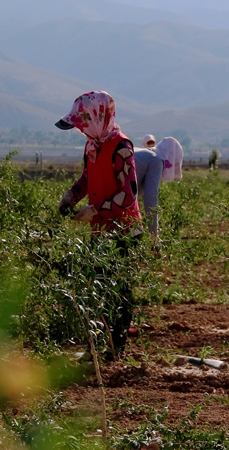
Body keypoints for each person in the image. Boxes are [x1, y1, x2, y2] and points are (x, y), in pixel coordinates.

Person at [54, 91, 141, 357]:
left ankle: (116, 349)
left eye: (82, 123)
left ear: (97, 117)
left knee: (119, 291)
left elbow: (129, 194)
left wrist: (96, 210)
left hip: (123, 232)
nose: (80, 130)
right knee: (101, 289)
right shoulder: (94, 145)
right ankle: (104, 346)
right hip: (101, 230)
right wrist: (71, 194)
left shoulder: (121, 147)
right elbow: (86, 178)